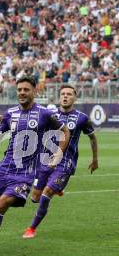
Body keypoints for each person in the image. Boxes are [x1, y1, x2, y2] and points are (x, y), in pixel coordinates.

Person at [0, 76, 70, 242]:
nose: (22, 93)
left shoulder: (45, 114)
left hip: (24, 175)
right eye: (19, 90)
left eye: (26, 90)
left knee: (2, 203)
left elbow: (65, 131)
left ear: (34, 91)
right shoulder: (11, 114)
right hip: (3, 169)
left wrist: (58, 153)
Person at [22, 84, 98, 238]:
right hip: (45, 160)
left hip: (65, 162)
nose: (65, 96)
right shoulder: (50, 114)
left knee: (46, 193)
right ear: (59, 97)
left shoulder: (82, 118)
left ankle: (31, 228)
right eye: (63, 93)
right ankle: (57, 187)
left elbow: (92, 138)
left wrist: (95, 159)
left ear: (75, 97)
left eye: (69, 94)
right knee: (34, 198)